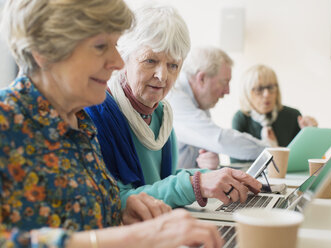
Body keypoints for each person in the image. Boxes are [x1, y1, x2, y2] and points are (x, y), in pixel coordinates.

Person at [0, 1, 222, 247]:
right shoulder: (5, 120)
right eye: (100, 46)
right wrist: (133, 236)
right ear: (44, 50)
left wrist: (121, 209)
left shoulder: (80, 124)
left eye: (115, 45)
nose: (118, 62)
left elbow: (83, 216)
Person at [85, 6, 262, 210]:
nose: (162, 76)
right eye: (150, 60)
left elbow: (163, 181)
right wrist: (196, 184)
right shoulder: (98, 114)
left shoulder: (162, 114)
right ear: (123, 59)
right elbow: (117, 202)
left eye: (173, 66)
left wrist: (217, 178)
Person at [167, 46, 270, 169]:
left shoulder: (200, 102)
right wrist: (271, 152)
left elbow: (210, 148)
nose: (227, 91)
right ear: (202, 78)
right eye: (224, 82)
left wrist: (209, 163)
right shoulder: (173, 97)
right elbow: (219, 140)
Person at [231, 64, 318, 163]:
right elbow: (236, 162)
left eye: (271, 87)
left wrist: (310, 134)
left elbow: (304, 159)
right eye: (259, 89)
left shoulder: (292, 115)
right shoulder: (241, 118)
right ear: (246, 93)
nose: (267, 94)